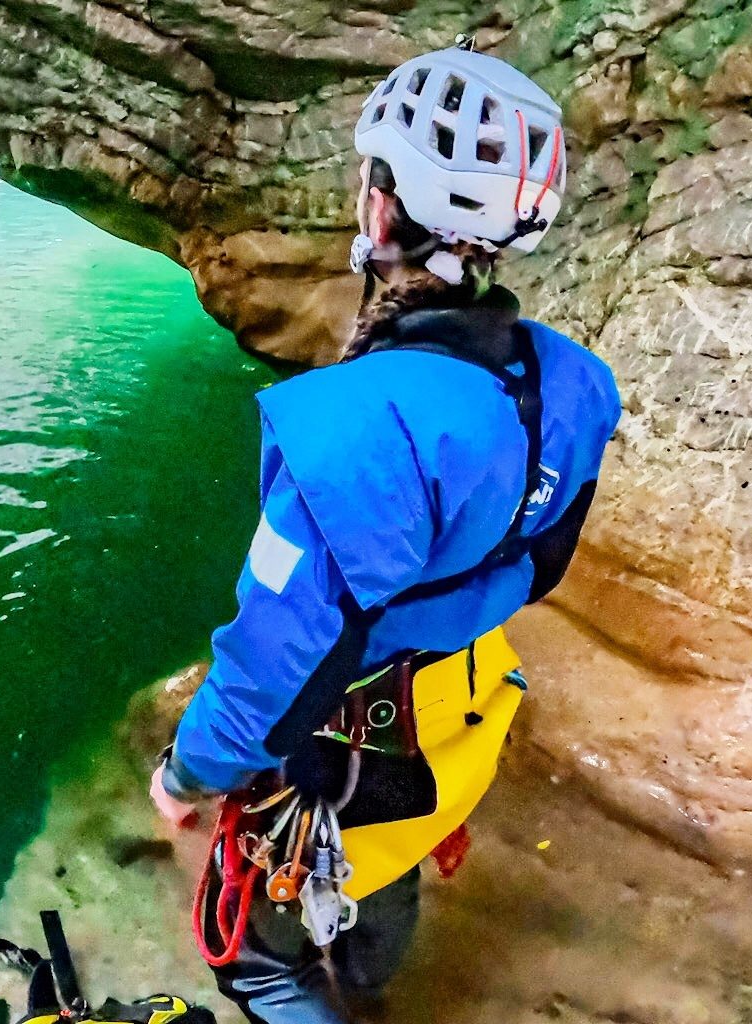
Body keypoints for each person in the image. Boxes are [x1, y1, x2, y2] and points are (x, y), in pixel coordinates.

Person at [148, 43, 621, 1024]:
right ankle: (368, 988)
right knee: (383, 869)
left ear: (378, 210)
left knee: (253, 964)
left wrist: (184, 773)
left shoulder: (359, 430)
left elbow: (273, 667)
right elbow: (539, 565)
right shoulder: (572, 384)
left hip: (341, 758)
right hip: (449, 730)